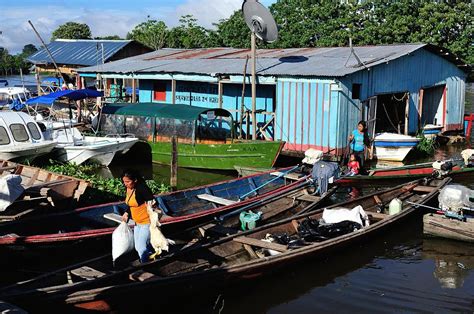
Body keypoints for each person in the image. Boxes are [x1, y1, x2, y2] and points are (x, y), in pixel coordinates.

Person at [121, 169, 158, 263]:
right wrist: (127, 212)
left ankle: (145, 264)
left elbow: (153, 201)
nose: (125, 184)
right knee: (138, 247)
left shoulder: (142, 188)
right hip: (137, 223)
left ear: (135, 180)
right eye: (124, 181)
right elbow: (130, 203)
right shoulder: (128, 188)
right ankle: (152, 258)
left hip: (147, 222)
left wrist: (152, 205)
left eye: (128, 181)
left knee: (141, 247)